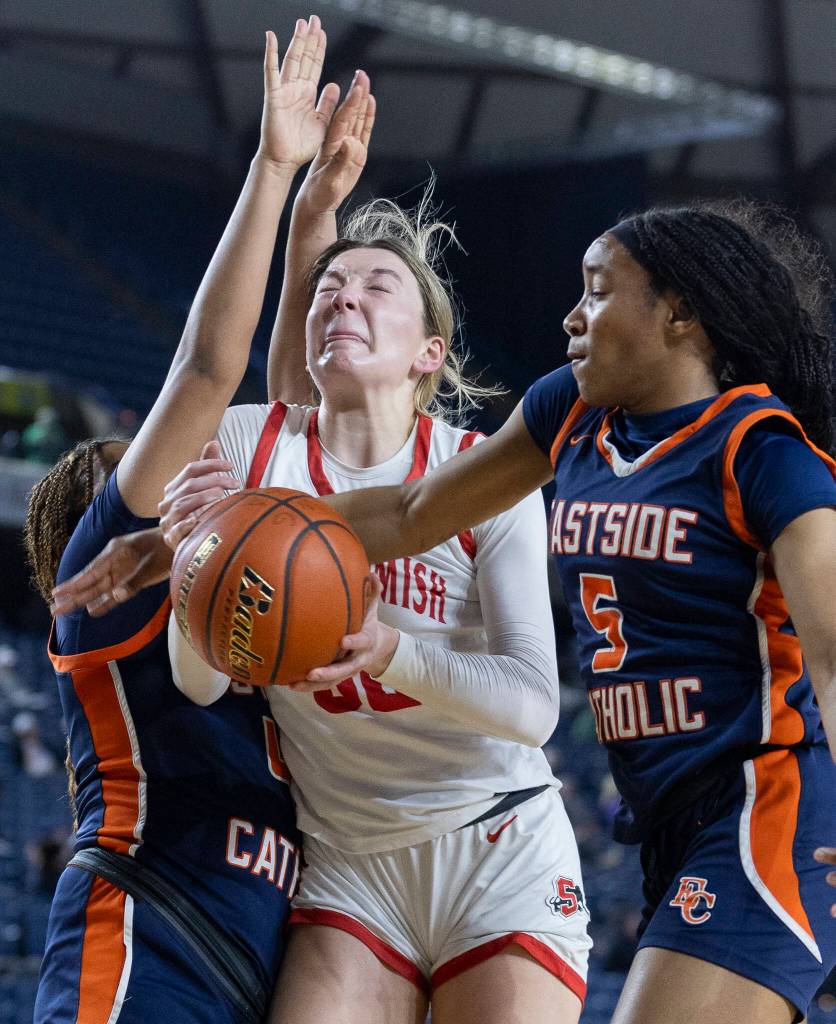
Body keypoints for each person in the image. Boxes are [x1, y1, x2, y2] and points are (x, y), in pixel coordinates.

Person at [58, 197, 836, 1024]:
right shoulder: (567, 416)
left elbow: (829, 649)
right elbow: (409, 512)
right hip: (630, 820)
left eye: (599, 292)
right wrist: (193, 545)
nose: (571, 315)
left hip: (747, 801)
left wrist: (392, 649)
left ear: (681, 312)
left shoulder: (765, 452)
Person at [164, 152, 591, 1024]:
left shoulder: (480, 475)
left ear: (428, 352)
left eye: (377, 286)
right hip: (350, 861)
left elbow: (534, 704)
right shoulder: (252, 443)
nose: (343, 296)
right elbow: (201, 679)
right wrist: (192, 564)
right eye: (330, 286)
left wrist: (394, 652)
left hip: (496, 841)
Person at [24, 19, 372, 1022]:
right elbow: (208, 374)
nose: (210, 473)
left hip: (243, 983)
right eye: (186, 472)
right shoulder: (105, 583)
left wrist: (317, 223)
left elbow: (286, 436)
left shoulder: (243, 619)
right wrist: (269, 170)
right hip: (139, 952)